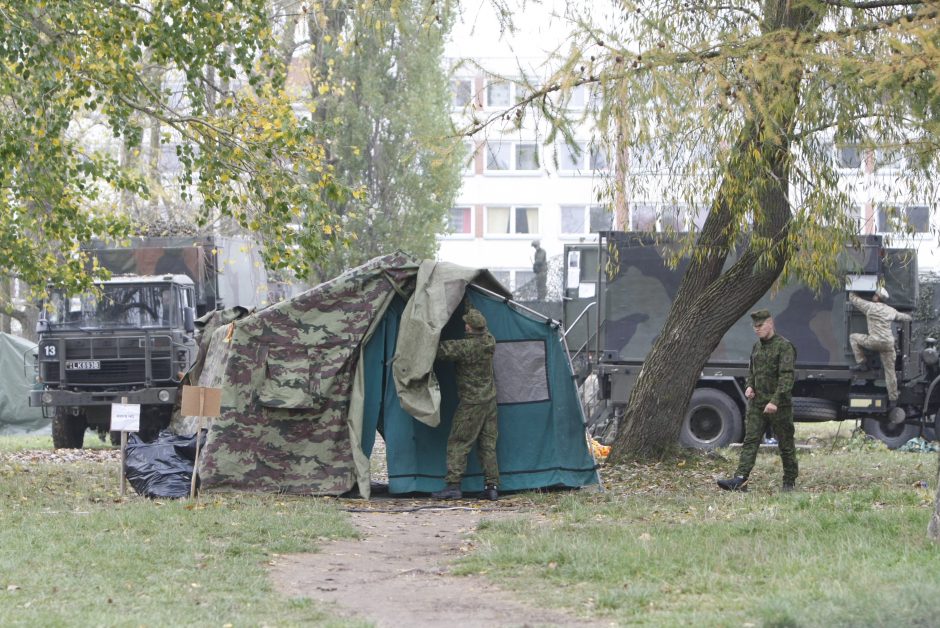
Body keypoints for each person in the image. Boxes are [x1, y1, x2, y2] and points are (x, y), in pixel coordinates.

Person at [718, 309, 798, 492]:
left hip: (779, 405)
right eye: (754, 326)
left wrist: (775, 401)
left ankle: (789, 481)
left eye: (760, 326)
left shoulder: (784, 346)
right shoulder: (756, 347)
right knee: (750, 441)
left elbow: (787, 378)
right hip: (757, 403)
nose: (757, 329)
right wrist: (749, 386)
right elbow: (752, 371)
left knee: (785, 443)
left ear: (770, 323)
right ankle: (740, 480)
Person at [431, 305, 500, 501]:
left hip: (472, 403)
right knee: (487, 444)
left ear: (469, 328)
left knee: (458, 442)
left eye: (466, 325)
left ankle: (453, 485)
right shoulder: (490, 340)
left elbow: (438, 351)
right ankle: (491, 486)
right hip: (490, 401)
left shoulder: (466, 347)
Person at [848, 287, 912, 410]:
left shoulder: (870, 307)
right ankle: (893, 399)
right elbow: (904, 317)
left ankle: (861, 363)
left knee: (853, 338)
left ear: (877, 297)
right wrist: (911, 316)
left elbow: (853, 299)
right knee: (890, 372)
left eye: (875, 294)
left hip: (874, 342)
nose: (873, 296)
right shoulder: (890, 310)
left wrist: (854, 288)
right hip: (888, 344)